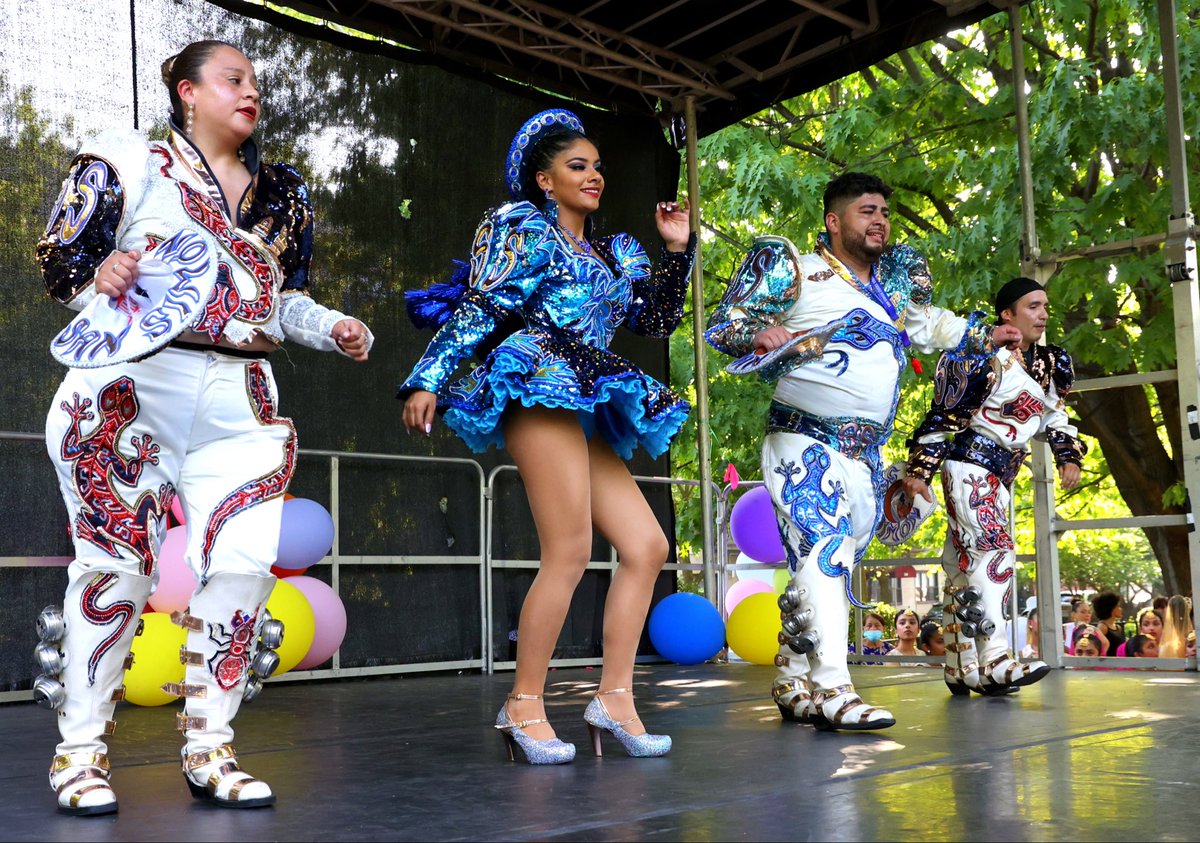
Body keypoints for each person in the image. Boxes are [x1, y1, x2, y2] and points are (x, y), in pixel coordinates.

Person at [31, 41, 372, 815]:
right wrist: (101, 279)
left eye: (256, 81)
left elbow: (282, 301)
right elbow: (62, 259)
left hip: (241, 393)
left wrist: (334, 327)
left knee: (247, 561)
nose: (251, 91)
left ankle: (210, 747)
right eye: (233, 78)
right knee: (114, 568)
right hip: (132, 382)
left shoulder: (283, 195)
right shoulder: (129, 161)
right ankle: (80, 755)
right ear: (188, 91)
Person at [398, 109, 694, 763]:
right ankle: (523, 702)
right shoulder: (522, 231)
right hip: (537, 383)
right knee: (570, 548)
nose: (594, 176)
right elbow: (483, 305)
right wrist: (429, 377)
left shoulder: (616, 250)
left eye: (598, 166)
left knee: (647, 544)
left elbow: (656, 318)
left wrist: (677, 250)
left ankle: (614, 697)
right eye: (576, 166)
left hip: (589, 391)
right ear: (543, 179)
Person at [705, 171, 1021, 730]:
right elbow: (725, 323)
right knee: (824, 554)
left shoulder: (889, 289)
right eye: (866, 210)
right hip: (804, 439)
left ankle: (792, 680)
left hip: (865, 453)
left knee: (824, 563)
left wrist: (983, 336)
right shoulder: (797, 271)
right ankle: (833, 689)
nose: (879, 220)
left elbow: (931, 326)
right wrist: (759, 333)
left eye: (883, 212)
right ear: (834, 221)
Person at [903, 277, 1086, 695]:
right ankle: (997, 658)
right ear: (1008, 313)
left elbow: (1054, 417)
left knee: (962, 568)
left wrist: (1067, 455)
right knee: (993, 552)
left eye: (1045, 307)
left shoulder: (1050, 362)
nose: (1043, 313)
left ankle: (962, 665)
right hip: (968, 464)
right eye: (1033, 306)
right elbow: (943, 416)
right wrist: (920, 469)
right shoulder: (977, 356)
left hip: (1003, 473)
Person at [1091, 591, 1126, 656]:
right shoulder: (1102, 627)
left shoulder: (1118, 627)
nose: (1121, 609)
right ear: (1112, 609)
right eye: (1118, 606)